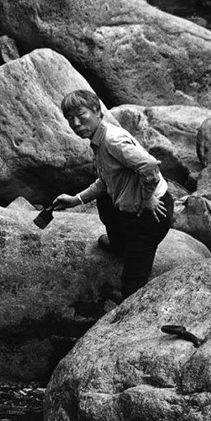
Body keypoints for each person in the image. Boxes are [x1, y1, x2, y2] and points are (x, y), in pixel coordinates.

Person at [52, 89, 173, 299]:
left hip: (150, 217)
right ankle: (119, 245)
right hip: (131, 208)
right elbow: (106, 181)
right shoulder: (100, 140)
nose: (76, 124)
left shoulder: (112, 140)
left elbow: (150, 166)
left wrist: (147, 199)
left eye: (81, 115)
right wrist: (76, 200)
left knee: (131, 289)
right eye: (70, 119)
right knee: (105, 201)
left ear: (97, 112)